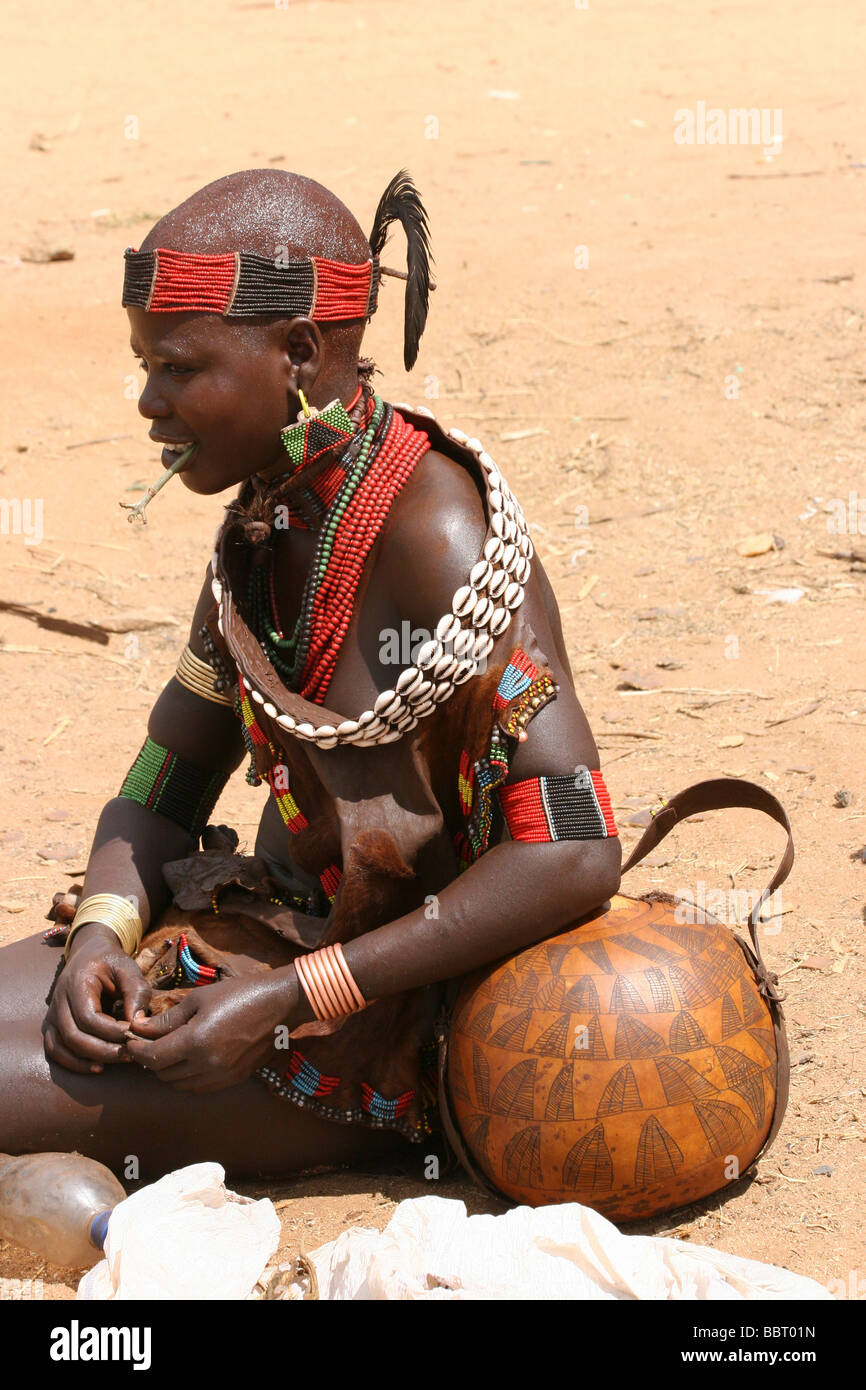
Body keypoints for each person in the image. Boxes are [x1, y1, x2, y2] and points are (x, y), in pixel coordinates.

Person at [0, 169, 621, 1182]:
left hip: (396, 1025)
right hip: (260, 939)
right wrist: (99, 938)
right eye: (141, 365)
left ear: (296, 353)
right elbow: (164, 783)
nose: (148, 402)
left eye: (176, 367)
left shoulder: (440, 535)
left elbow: (574, 855)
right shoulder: (265, 524)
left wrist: (293, 997)